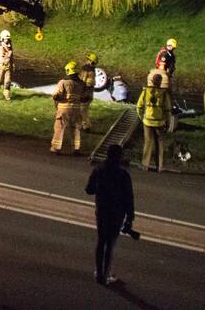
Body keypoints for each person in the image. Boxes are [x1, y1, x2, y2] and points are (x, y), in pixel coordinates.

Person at [85, 144, 136, 286]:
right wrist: (130, 218)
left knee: (101, 242)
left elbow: (89, 190)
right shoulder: (124, 175)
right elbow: (129, 198)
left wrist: (100, 189)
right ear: (120, 157)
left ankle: (99, 273)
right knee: (110, 244)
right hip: (117, 214)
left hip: (102, 211)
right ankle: (106, 274)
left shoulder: (99, 170)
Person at [136, 73, 172, 171]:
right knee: (159, 145)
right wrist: (169, 123)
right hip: (160, 123)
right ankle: (159, 166)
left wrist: (142, 118)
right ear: (160, 82)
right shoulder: (164, 94)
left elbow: (139, 107)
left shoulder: (145, 92)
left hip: (147, 122)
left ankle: (145, 165)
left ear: (152, 81)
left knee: (147, 144)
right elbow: (168, 110)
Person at [51, 61, 83, 155]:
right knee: (76, 129)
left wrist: (56, 98)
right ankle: (76, 148)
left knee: (59, 128)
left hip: (64, 110)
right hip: (76, 110)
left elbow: (56, 95)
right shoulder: (80, 84)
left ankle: (56, 147)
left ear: (68, 71)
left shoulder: (63, 82)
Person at [79, 63, 96, 131]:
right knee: (82, 111)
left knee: (82, 111)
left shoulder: (89, 77)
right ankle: (83, 125)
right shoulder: (91, 75)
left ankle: (87, 126)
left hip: (85, 97)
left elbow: (87, 85)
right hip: (86, 96)